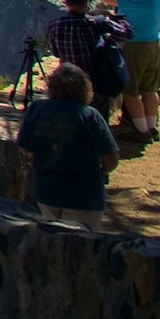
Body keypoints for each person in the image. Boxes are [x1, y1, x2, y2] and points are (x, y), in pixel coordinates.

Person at [17, 61, 120, 229]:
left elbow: (24, 148)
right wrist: (100, 173)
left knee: (51, 243)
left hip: (46, 193)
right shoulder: (90, 116)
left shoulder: (37, 109)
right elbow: (111, 159)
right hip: (83, 195)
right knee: (81, 247)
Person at [103, 0, 160, 141]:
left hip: (136, 46)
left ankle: (141, 131)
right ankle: (152, 127)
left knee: (130, 91)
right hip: (154, 44)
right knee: (149, 89)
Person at [45, 0, 126, 120]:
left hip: (67, 83)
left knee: (72, 122)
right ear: (86, 2)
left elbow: (56, 52)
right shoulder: (96, 23)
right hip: (94, 82)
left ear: (66, 2)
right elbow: (127, 33)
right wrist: (115, 19)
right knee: (97, 120)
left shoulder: (55, 26)